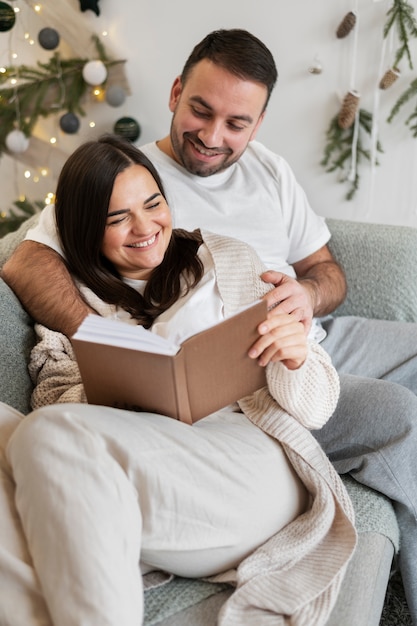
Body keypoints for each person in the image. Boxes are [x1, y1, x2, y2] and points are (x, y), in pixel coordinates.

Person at [2, 27, 417, 620]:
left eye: (236, 123)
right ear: (175, 93)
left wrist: (301, 301)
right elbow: (24, 259)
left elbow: (327, 271)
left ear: (258, 123)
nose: (213, 136)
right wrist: (108, 341)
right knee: (35, 434)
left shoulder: (259, 190)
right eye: (201, 110)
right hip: (208, 419)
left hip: (291, 355)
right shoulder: (124, 175)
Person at [0, 135, 356, 626]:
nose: (145, 227)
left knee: (45, 436)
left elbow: (316, 410)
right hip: (147, 465)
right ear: (84, 229)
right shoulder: (73, 307)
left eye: (153, 203)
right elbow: (58, 404)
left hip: (251, 461)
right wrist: (124, 381)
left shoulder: (226, 260)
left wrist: (295, 359)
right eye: (117, 217)